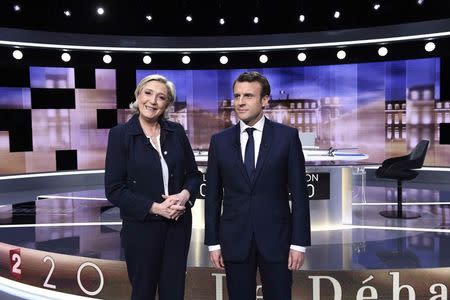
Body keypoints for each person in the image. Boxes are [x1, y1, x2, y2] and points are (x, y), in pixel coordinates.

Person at [205, 71, 311, 299]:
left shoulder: (287, 137)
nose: (240, 102)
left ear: (264, 100)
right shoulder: (219, 141)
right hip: (234, 239)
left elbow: (300, 194)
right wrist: (213, 242)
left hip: (278, 240)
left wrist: (299, 243)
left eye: (248, 96)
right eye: (237, 96)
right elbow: (213, 196)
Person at [105, 74, 201, 300]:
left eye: (161, 97)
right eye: (148, 93)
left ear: (167, 104)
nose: (153, 101)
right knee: (143, 292)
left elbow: (194, 175)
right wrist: (157, 208)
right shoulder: (120, 135)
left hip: (177, 227)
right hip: (141, 228)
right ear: (138, 96)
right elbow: (114, 189)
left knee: (174, 292)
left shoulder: (176, 132)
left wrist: (184, 195)